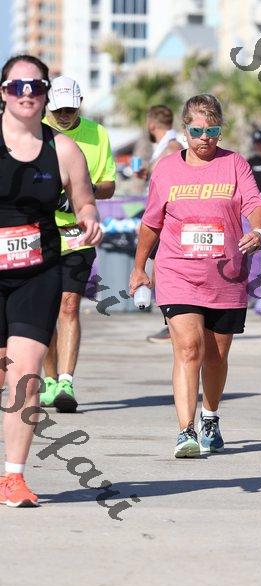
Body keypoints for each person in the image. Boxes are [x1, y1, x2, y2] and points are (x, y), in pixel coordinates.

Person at [129, 94, 261, 458]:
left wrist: (258, 230)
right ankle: (185, 430)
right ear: (185, 129)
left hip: (226, 275)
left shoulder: (234, 164)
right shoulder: (166, 169)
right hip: (178, 271)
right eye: (197, 131)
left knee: (216, 356)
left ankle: (210, 416)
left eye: (213, 131)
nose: (205, 138)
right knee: (189, 347)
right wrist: (139, 268)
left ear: (221, 130)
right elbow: (151, 223)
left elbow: (255, 204)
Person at [0, 55, 101, 506]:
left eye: (35, 86)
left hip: (37, 272)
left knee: (26, 377)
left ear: (45, 93)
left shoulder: (63, 149)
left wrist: (89, 218)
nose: (26, 94)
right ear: (3, 92)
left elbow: (84, 200)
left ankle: (13, 477)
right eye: (16, 86)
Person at [39, 76, 116, 412]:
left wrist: (83, 191)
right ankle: (50, 380)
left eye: (71, 108)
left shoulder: (97, 134)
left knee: (69, 306)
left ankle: (67, 382)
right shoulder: (36, 132)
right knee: (44, 310)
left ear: (80, 103)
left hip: (78, 233)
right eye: (59, 110)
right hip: (40, 233)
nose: (65, 115)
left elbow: (109, 184)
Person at [135, 105, 183, 344]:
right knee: (161, 267)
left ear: (151, 123)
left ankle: (172, 325)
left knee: (164, 268)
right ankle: (171, 323)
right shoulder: (167, 146)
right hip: (162, 215)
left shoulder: (172, 147)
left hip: (168, 218)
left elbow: (172, 182)